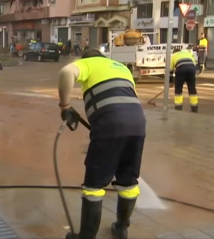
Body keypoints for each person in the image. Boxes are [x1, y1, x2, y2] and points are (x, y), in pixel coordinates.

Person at [58, 49, 146, 239]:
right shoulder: (121, 68)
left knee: (94, 184)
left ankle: (86, 236)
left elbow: (66, 72)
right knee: (128, 180)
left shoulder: (89, 63)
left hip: (110, 125)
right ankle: (122, 228)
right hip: (138, 124)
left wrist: (64, 106)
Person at [171, 48, 198, 113]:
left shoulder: (173, 56)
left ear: (174, 52)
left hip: (181, 70)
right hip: (191, 70)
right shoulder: (187, 54)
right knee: (192, 88)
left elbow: (170, 70)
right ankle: (194, 108)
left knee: (178, 89)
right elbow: (194, 64)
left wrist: (171, 81)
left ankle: (178, 107)